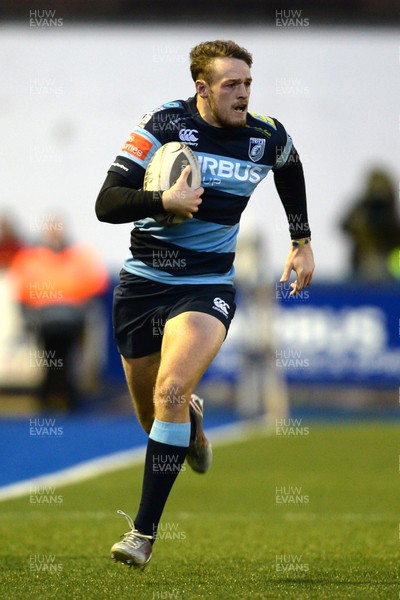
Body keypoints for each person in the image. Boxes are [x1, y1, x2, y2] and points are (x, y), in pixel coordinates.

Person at [95, 39, 314, 570]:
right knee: (153, 418)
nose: (242, 95)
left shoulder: (265, 135)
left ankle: (142, 535)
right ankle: (191, 424)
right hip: (143, 284)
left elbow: (290, 164)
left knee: (171, 388)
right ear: (202, 88)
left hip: (206, 285)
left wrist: (301, 240)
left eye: (247, 84)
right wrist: (162, 202)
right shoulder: (163, 126)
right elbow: (106, 204)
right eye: (231, 86)